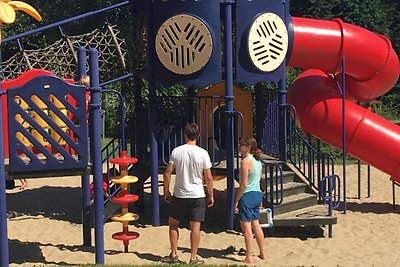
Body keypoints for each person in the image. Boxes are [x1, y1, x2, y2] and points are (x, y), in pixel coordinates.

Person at [162, 123, 214, 264]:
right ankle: (193, 256)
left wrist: (166, 191)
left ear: (185, 135)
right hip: (197, 194)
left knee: (173, 224)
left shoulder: (177, 151)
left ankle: (174, 254)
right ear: (198, 136)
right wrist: (211, 195)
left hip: (180, 193)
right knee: (195, 227)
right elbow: (208, 177)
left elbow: (167, 174)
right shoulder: (203, 153)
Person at [234, 136, 266, 264]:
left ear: (247, 147)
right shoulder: (258, 161)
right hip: (257, 194)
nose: (239, 147)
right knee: (256, 225)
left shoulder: (245, 162)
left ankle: (249, 257)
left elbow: (243, 184)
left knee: (246, 227)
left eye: (241, 145)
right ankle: (263, 253)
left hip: (247, 195)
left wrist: (236, 199)